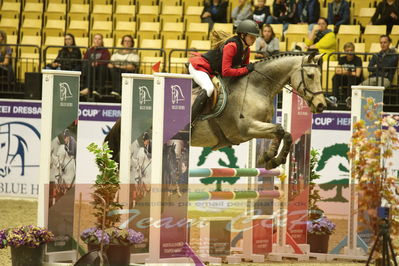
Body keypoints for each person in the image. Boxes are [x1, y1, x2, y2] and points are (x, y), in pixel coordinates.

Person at [188, 20, 259, 122]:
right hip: (200, 67)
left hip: (213, 72)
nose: (254, 40)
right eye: (252, 37)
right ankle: (189, 122)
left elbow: (245, 68)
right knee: (208, 89)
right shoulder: (232, 46)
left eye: (255, 37)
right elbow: (226, 71)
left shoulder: (246, 49)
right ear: (243, 35)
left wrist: (250, 69)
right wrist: (246, 69)